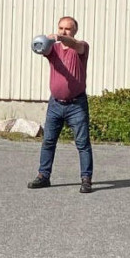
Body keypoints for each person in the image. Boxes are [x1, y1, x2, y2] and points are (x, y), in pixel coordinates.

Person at [27, 16, 94, 194]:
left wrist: (60, 38)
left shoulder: (82, 47)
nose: (63, 31)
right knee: (48, 141)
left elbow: (75, 45)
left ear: (74, 31)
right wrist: (45, 42)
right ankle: (43, 176)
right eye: (61, 28)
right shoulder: (53, 49)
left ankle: (86, 179)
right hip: (55, 104)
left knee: (82, 143)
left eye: (67, 29)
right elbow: (41, 49)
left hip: (76, 105)